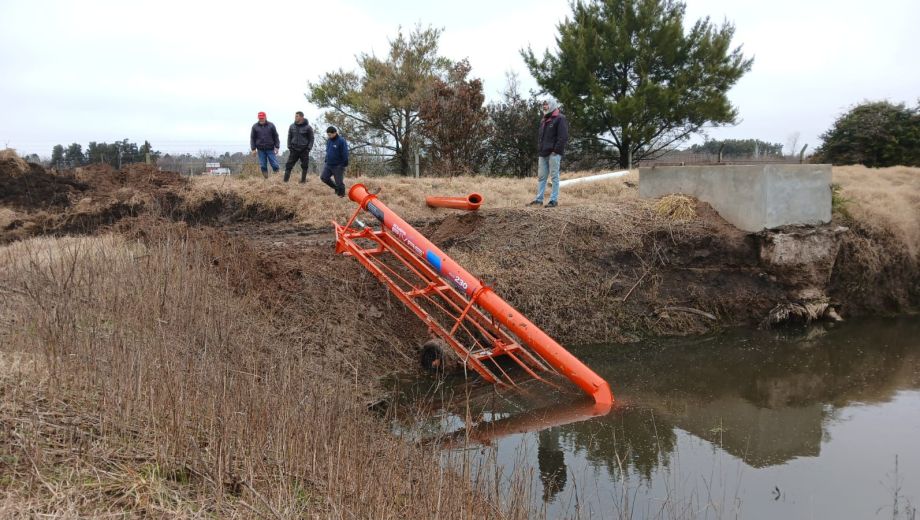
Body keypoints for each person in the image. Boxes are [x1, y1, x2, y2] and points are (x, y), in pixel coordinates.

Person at [528, 100, 569, 208]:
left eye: (547, 105)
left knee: (554, 177)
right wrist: (540, 149)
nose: (545, 107)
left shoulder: (560, 118)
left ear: (552, 106)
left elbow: (563, 137)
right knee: (541, 177)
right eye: (544, 105)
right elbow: (541, 137)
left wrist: (556, 151)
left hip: (553, 154)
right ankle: (539, 200)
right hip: (543, 153)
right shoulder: (543, 120)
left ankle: (553, 201)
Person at [284, 111, 314, 183]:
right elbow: (289, 137)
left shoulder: (308, 127)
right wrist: (289, 146)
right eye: (295, 116)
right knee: (288, 165)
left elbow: (311, 139)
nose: (295, 117)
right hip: (294, 149)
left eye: (297, 116)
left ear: (301, 117)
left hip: (304, 150)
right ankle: (285, 182)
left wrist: (308, 148)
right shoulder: (292, 126)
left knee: (304, 166)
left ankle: (303, 181)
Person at [321, 126, 349, 197]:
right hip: (329, 164)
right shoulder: (329, 140)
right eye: (328, 135)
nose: (329, 136)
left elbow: (345, 153)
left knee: (339, 183)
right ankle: (335, 188)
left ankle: (341, 195)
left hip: (338, 165)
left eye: (330, 134)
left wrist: (343, 164)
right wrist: (326, 159)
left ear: (335, 133)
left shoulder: (341, 141)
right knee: (324, 177)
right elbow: (328, 151)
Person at [250, 111, 280, 178]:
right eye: (260, 118)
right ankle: (266, 179)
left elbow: (276, 136)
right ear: (258, 118)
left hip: (270, 149)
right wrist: (253, 149)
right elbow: (252, 138)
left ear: (265, 117)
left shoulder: (271, 125)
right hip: (260, 150)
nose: (261, 119)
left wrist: (277, 147)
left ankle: (277, 177)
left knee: (274, 165)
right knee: (263, 165)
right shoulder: (254, 127)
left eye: (262, 118)